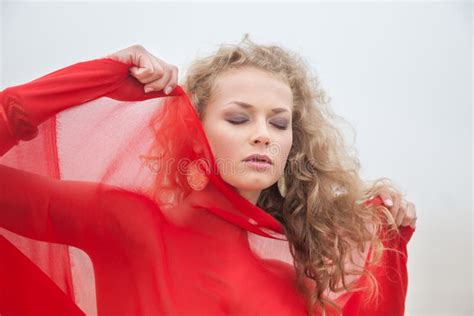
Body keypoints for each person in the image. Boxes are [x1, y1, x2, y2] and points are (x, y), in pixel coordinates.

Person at [0, 35, 417, 316]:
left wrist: (390, 245)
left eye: (278, 123)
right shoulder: (126, 224)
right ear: (192, 130)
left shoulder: (288, 280)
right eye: (238, 119)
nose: (262, 136)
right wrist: (96, 78)